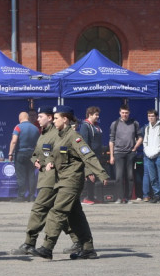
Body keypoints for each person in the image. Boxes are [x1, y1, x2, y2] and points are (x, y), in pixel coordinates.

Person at [29, 105, 109, 260]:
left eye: (56, 118)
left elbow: (88, 155)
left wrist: (101, 173)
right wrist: (48, 162)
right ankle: (88, 249)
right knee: (75, 216)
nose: (54, 121)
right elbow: (52, 152)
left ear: (65, 119)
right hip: (62, 180)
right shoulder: (59, 136)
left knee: (57, 212)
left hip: (71, 181)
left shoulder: (74, 137)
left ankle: (47, 247)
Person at [12, 105, 80, 255]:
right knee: (59, 213)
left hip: (53, 178)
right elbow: (36, 153)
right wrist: (36, 160)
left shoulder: (57, 134)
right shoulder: (43, 134)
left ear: (49, 118)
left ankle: (29, 243)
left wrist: (47, 162)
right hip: (45, 177)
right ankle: (78, 241)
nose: (37, 119)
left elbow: (60, 154)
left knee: (39, 209)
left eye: (40, 116)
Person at [107, 107, 142, 203]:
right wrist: (111, 156)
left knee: (130, 177)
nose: (124, 114)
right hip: (118, 153)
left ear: (129, 113)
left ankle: (128, 198)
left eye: (126, 113)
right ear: (120, 113)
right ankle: (119, 197)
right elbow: (111, 140)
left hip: (130, 153)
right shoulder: (115, 124)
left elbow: (140, 137)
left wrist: (135, 148)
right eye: (123, 113)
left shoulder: (134, 123)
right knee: (119, 177)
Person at [8, 110, 39, 202]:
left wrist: (10, 153)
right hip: (32, 153)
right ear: (28, 118)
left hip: (20, 153)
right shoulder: (35, 128)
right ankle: (32, 196)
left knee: (21, 176)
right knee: (31, 175)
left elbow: (14, 141)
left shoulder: (18, 127)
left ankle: (21, 196)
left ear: (20, 118)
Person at [77, 106, 104, 205]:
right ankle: (85, 197)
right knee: (88, 176)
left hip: (96, 156)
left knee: (94, 177)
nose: (98, 116)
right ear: (90, 115)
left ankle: (91, 197)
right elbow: (84, 144)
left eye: (98, 114)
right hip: (89, 156)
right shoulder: (85, 126)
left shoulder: (96, 126)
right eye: (96, 115)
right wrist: (87, 158)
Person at [142, 109, 160, 203]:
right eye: (149, 116)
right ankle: (156, 195)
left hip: (159, 155)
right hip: (149, 156)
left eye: (152, 116)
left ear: (156, 116)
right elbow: (145, 142)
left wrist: (159, 150)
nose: (150, 118)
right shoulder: (147, 128)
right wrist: (146, 151)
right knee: (152, 178)